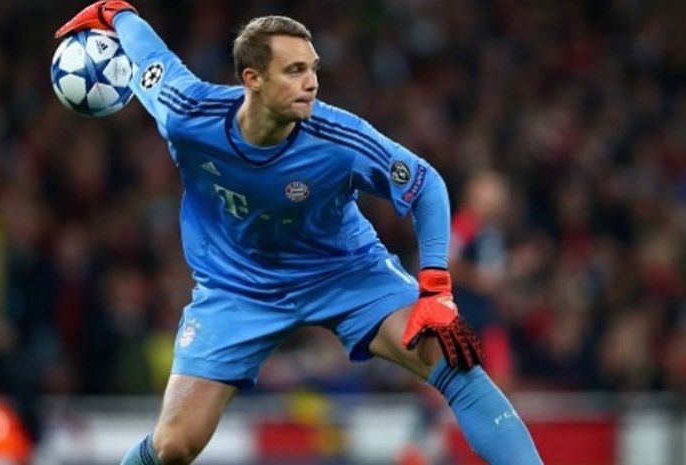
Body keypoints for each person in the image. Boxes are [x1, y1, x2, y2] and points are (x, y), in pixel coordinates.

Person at [55, 2, 543, 464]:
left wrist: (435, 283)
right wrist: (118, 15)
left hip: (345, 274)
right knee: (174, 446)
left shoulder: (338, 138)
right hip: (236, 288)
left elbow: (425, 184)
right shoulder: (188, 115)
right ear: (253, 79)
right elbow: (149, 61)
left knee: (455, 361)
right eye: (294, 71)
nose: (311, 84)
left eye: (313, 69)